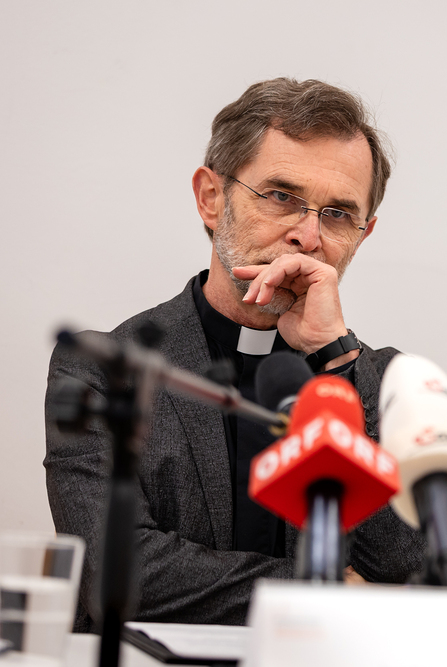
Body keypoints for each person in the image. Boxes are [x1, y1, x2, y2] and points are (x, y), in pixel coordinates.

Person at [43, 78, 425, 631]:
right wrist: (320, 590)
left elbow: (405, 572)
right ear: (211, 199)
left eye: (338, 213)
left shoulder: (389, 384)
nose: (308, 236)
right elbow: (116, 573)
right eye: (281, 197)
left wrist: (336, 359)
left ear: (362, 236)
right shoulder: (101, 370)